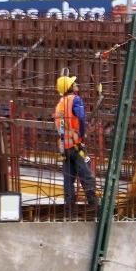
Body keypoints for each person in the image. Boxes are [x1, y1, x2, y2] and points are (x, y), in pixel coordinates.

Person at [54, 75, 98, 216]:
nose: (76, 84)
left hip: (65, 148)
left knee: (68, 180)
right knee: (87, 176)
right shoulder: (75, 99)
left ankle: (70, 212)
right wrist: (82, 134)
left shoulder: (60, 104)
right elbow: (81, 117)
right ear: (69, 87)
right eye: (73, 83)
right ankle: (95, 208)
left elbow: (61, 126)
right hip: (76, 146)